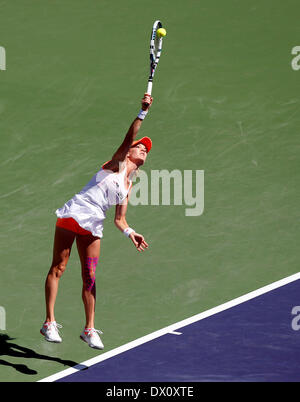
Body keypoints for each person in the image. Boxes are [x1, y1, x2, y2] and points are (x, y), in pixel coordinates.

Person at [40, 94, 153, 349]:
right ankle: (49, 322)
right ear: (129, 151)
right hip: (75, 213)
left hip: (93, 225)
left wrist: (131, 233)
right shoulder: (116, 164)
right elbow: (128, 138)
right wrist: (142, 112)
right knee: (59, 267)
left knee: (90, 276)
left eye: (146, 149)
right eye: (140, 146)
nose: (143, 149)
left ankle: (89, 329)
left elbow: (120, 219)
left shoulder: (129, 185)